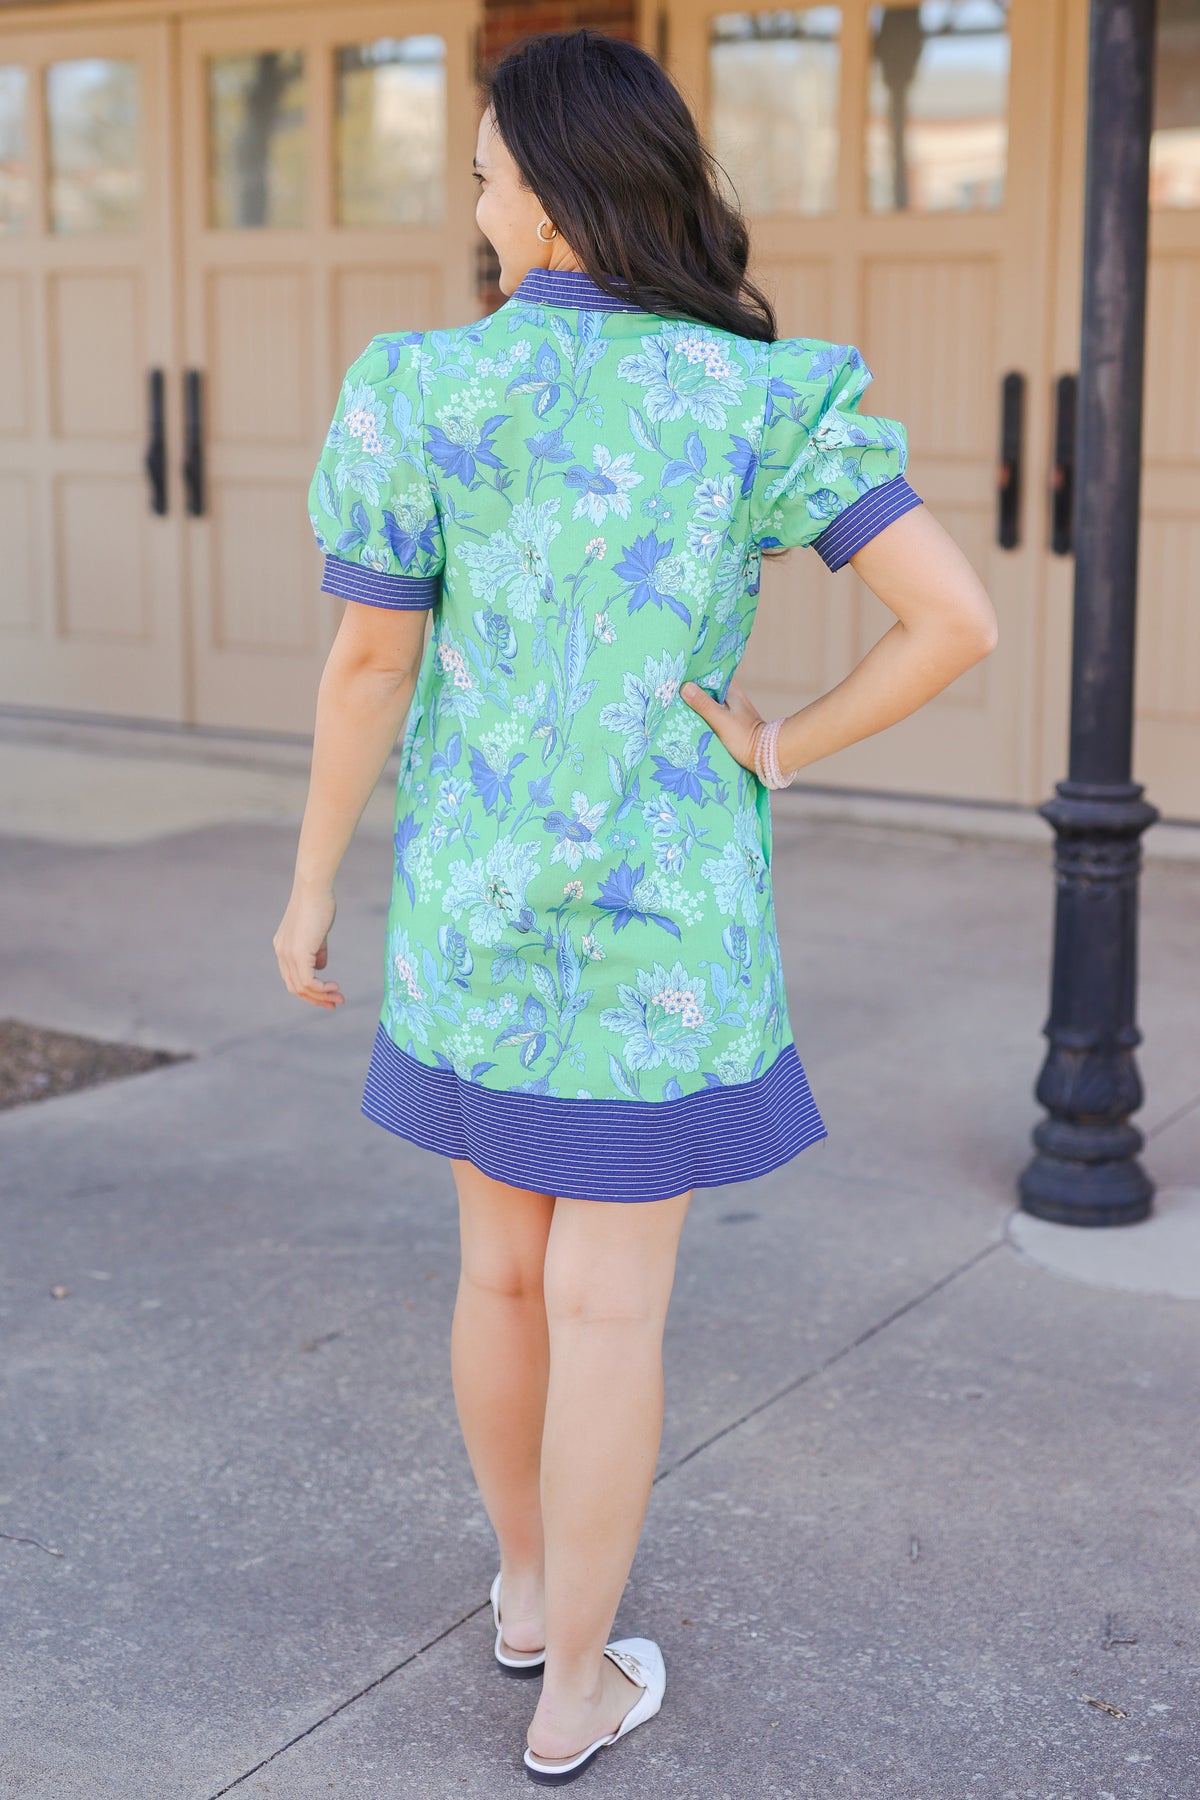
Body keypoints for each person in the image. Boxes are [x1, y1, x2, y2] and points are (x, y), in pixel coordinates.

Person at [273, 27, 998, 1784]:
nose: (474, 197)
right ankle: (573, 1683)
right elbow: (958, 622)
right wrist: (778, 742)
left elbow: (372, 663)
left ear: (550, 193)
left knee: (497, 1273)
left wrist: (308, 894)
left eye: (484, 171)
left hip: (472, 904)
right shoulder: (761, 394)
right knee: (610, 1309)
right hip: (665, 925)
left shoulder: (417, 386)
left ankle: (528, 1596)